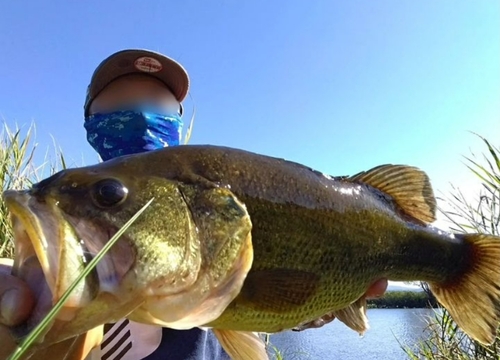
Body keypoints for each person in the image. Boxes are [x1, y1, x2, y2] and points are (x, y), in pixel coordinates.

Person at [0, 49, 389, 360]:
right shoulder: (69, 220)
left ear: (178, 125)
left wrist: (310, 311)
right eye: (119, 102)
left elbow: (268, 305)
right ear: (91, 122)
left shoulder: (217, 207)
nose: (139, 112)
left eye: (156, 103)